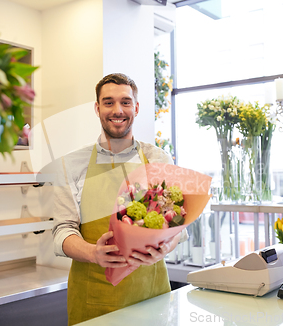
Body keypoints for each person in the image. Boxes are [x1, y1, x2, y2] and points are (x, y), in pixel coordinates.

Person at [52, 73, 187, 325]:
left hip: (151, 297)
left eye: (125, 102)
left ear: (135, 108)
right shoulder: (71, 165)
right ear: (97, 108)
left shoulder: (158, 160)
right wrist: (94, 253)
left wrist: (164, 248)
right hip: (93, 302)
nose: (118, 110)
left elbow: (177, 226)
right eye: (108, 102)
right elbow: (62, 230)